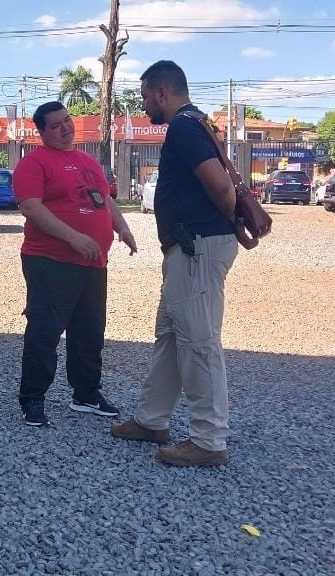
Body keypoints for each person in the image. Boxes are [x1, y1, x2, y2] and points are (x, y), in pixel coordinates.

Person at [111, 60, 239, 467]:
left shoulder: (184, 126)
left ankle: (208, 440)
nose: (146, 103)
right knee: (170, 336)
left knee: (199, 343)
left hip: (196, 247)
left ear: (162, 92)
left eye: (147, 95)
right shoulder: (195, 123)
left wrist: (217, 223)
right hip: (188, 249)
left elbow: (221, 186)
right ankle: (152, 420)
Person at [15, 101, 137, 427]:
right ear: (41, 132)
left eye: (66, 121)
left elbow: (104, 198)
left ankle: (85, 393)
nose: (65, 128)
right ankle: (33, 399)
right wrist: (73, 237)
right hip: (50, 260)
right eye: (55, 125)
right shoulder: (35, 162)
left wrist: (121, 227)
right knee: (45, 331)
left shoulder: (87, 160)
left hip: (93, 262)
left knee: (89, 330)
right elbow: (31, 208)